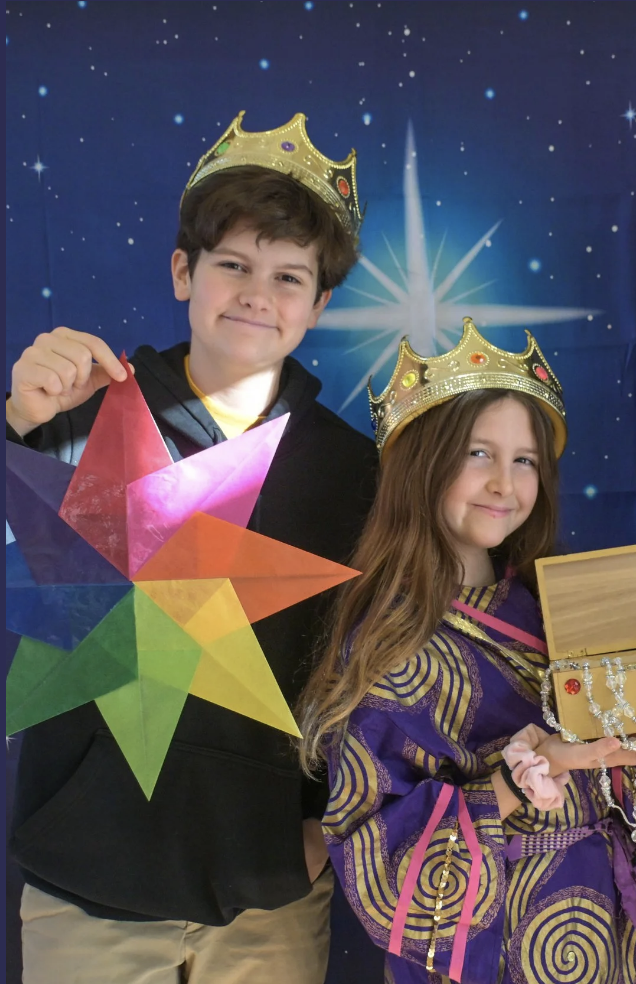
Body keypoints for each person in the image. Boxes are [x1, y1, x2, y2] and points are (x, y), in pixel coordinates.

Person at [5, 111, 378, 983]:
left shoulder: (354, 471)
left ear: (320, 304)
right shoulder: (77, 413)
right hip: (85, 888)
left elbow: (376, 665)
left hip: (269, 899)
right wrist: (17, 423)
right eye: (233, 264)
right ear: (184, 271)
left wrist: (322, 828)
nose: (257, 294)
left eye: (289, 277)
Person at [298, 319, 636, 984]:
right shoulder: (387, 643)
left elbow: (635, 774)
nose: (505, 483)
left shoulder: (558, 612)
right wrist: (523, 775)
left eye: (525, 460)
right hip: (482, 947)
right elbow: (375, 857)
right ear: (420, 464)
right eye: (478, 454)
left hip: (598, 929)